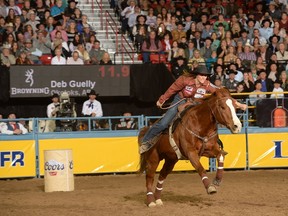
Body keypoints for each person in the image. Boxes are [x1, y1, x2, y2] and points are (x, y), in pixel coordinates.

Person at [139, 66, 247, 153]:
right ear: (196, 75)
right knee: (163, 123)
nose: (204, 77)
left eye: (206, 76)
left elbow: (221, 95)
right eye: (202, 75)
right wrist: (162, 99)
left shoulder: (207, 84)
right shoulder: (184, 80)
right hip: (181, 100)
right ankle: (145, 141)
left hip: (195, 103)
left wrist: (238, 104)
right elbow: (172, 89)